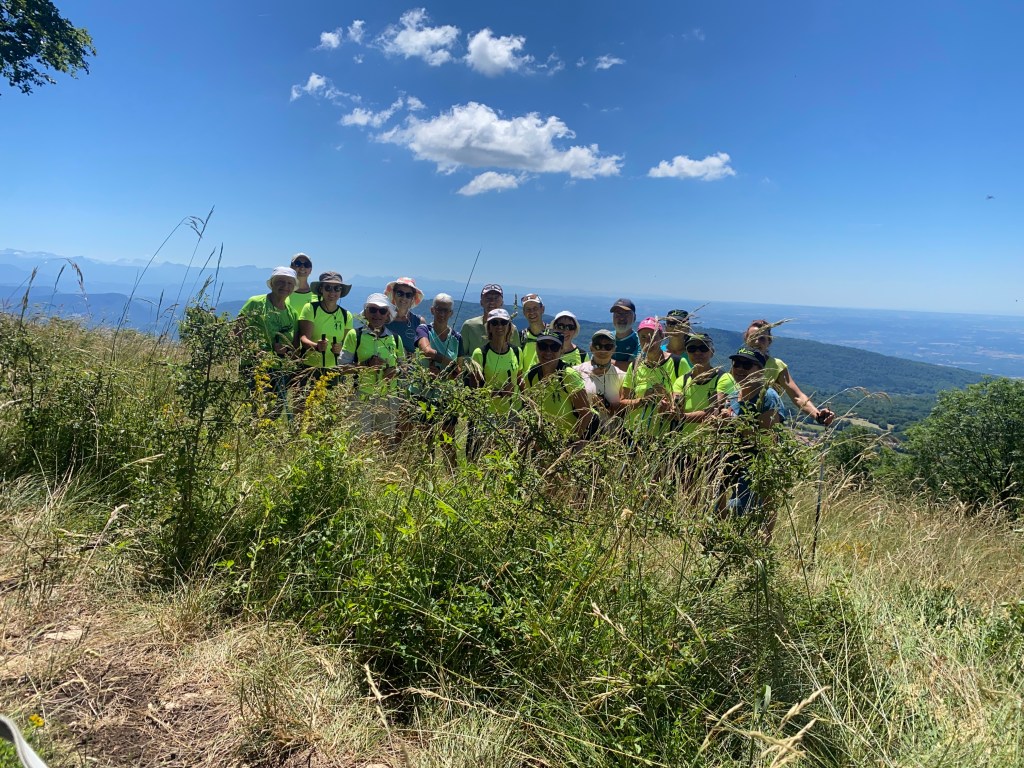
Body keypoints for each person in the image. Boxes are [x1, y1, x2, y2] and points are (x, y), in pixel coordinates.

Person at [725, 345, 785, 530]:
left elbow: (768, 441)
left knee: (745, 512)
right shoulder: (734, 395)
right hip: (733, 464)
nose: (740, 369)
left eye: (747, 365)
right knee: (725, 512)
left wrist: (736, 423)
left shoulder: (768, 397)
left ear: (760, 371)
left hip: (757, 466)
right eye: (736, 364)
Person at [338, 293, 406, 436]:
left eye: (382, 311)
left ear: (387, 315)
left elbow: (404, 367)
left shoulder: (395, 338)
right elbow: (342, 368)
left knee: (385, 441)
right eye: (373, 310)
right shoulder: (355, 335)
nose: (377, 314)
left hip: (389, 397)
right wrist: (366, 365)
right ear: (366, 313)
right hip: (361, 396)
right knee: (360, 441)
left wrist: (395, 371)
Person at [744, 320, 835, 426]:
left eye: (762, 338)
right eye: (753, 337)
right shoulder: (738, 362)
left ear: (769, 341)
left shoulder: (776, 366)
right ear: (746, 340)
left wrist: (818, 415)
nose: (756, 342)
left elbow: (797, 396)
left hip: (765, 423)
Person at [236, 266, 299, 416]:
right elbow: (238, 331)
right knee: (257, 410)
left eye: (289, 283)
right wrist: (250, 351)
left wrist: (287, 351)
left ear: (293, 287)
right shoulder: (256, 303)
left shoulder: (292, 313)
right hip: (255, 366)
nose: (285, 286)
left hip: (280, 369)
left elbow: (295, 344)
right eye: (280, 281)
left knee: (275, 411)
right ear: (272, 283)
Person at [620, 318, 688, 440]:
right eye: (643, 337)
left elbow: (688, 398)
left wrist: (668, 399)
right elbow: (623, 402)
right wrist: (642, 400)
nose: (648, 341)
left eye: (652, 337)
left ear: (662, 337)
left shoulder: (678, 363)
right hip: (632, 432)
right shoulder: (635, 366)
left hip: (664, 435)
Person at [414, 293, 462, 459]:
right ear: (432, 310)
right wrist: (448, 362)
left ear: (451, 313)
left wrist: (442, 373)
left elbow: (459, 372)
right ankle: (426, 472)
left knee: (448, 441)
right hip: (423, 393)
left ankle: (451, 473)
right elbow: (426, 351)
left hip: (446, 396)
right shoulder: (423, 330)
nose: (442, 314)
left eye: (446, 310)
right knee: (425, 442)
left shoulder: (457, 338)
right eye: (439, 309)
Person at [522, 329, 592, 441]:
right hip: (551, 438)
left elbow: (586, 414)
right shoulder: (531, 375)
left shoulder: (568, 375)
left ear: (561, 350)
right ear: (536, 348)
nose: (548, 351)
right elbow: (532, 411)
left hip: (581, 434)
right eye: (543, 346)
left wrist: (570, 443)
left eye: (554, 347)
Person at [671, 333, 735, 436]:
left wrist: (682, 417)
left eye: (703, 348)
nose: (697, 352)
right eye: (692, 349)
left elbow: (714, 412)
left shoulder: (724, 378)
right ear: (687, 353)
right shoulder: (681, 381)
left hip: (711, 442)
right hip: (683, 440)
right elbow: (676, 406)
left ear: (712, 352)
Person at [468, 308, 522, 420]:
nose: (499, 326)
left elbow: (520, 381)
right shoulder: (480, 354)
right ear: (489, 327)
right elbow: (474, 389)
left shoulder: (517, 352)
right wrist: (500, 393)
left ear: (509, 326)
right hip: (490, 414)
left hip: (515, 411)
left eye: (503, 322)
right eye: (494, 322)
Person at [297, 271, 354, 375]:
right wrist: (316, 346)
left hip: (335, 369)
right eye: (328, 287)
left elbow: (348, 345)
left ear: (341, 291)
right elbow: (303, 338)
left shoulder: (346, 315)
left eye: (337, 288)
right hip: (309, 367)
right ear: (321, 289)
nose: (332, 292)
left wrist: (340, 348)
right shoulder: (310, 308)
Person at [574, 329, 624, 436]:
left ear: (614, 349)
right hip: (581, 434)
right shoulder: (577, 372)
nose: (602, 350)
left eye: (608, 347)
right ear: (591, 347)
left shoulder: (621, 376)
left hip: (609, 436)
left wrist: (606, 404)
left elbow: (623, 410)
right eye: (598, 346)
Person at [460, 283, 521, 359]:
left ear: (502, 303)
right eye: (488, 298)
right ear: (481, 302)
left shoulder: (511, 329)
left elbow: (516, 356)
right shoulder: (469, 326)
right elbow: (460, 356)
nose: (492, 302)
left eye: (496, 298)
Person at [384, 276, 425, 356]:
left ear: (412, 298)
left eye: (408, 295)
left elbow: (423, 350)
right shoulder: (383, 318)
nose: (404, 298)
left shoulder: (419, 322)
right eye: (400, 293)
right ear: (394, 294)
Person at [517, 293, 546, 372]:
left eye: (535, 308)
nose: (531, 312)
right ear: (524, 312)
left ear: (542, 309)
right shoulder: (520, 337)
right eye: (528, 309)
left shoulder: (553, 334)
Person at [610, 298, 639, 371]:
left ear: (634, 318)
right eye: (617, 314)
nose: (621, 318)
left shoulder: (640, 341)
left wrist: (605, 361)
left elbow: (635, 366)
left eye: (626, 314)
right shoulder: (605, 337)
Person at [285, 253, 315, 318]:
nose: (302, 267)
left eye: (306, 264)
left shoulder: (318, 295)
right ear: (291, 268)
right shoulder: (283, 292)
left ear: (310, 270)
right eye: (298, 264)